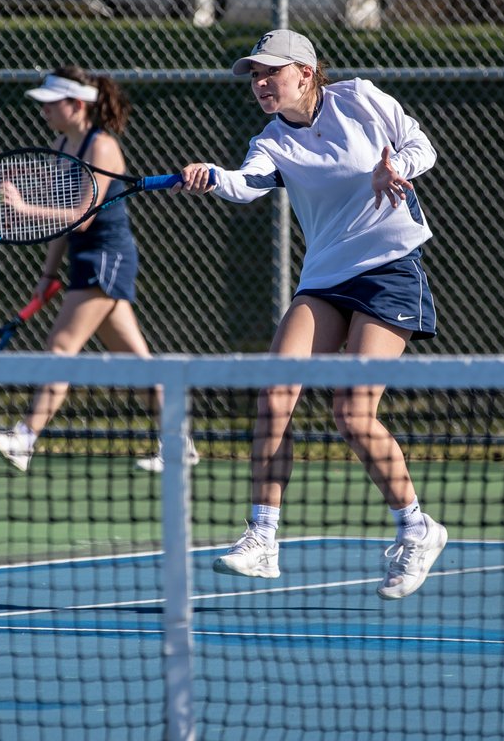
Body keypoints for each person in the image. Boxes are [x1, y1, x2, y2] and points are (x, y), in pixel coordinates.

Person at [174, 29, 445, 600]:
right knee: (276, 393)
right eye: (254, 75)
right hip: (325, 278)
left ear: (307, 71)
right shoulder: (271, 143)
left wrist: (397, 169)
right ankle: (263, 538)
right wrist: (214, 177)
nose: (261, 82)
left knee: (352, 412)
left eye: (271, 71)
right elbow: (247, 183)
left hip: (391, 267)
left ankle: (417, 527)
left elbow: (423, 145)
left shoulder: (362, 99)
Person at [0, 66, 197, 474]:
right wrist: (47, 273)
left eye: (50, 105)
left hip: (107, 256)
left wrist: (25, 209)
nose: (44, 112)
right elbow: (64, 224)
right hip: (84, 258)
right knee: (139, 364)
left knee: (61, 348)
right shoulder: (64, 141)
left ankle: (25, 437)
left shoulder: (103, 148)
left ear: (76, 105)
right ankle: (179, 443)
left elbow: (82, 217)